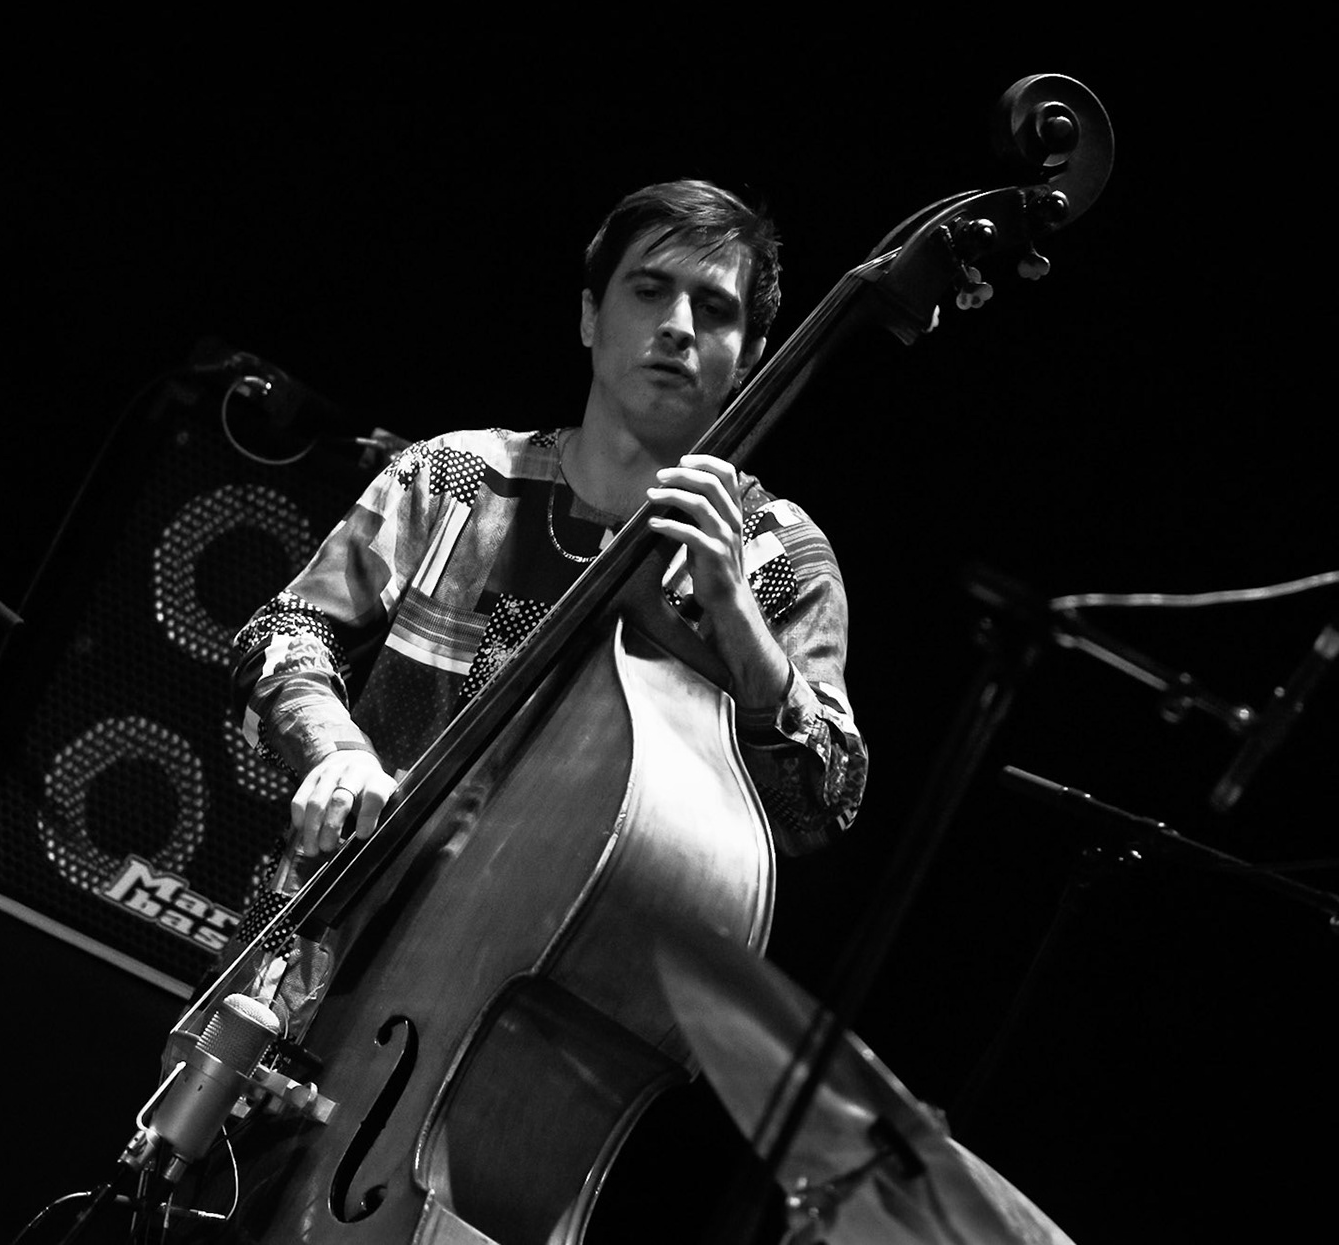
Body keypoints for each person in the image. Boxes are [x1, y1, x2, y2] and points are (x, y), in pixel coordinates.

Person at [226, 179, 867, 1021]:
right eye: (649, 290)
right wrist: (337, 753)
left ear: (750, 357)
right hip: (304, 955)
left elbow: (821, 804)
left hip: (525, 1012)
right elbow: (284, 632)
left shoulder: (780, 556)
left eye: (715, 309)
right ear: (590, 318)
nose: (678, 325)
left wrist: (734, 616)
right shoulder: (453, 477)